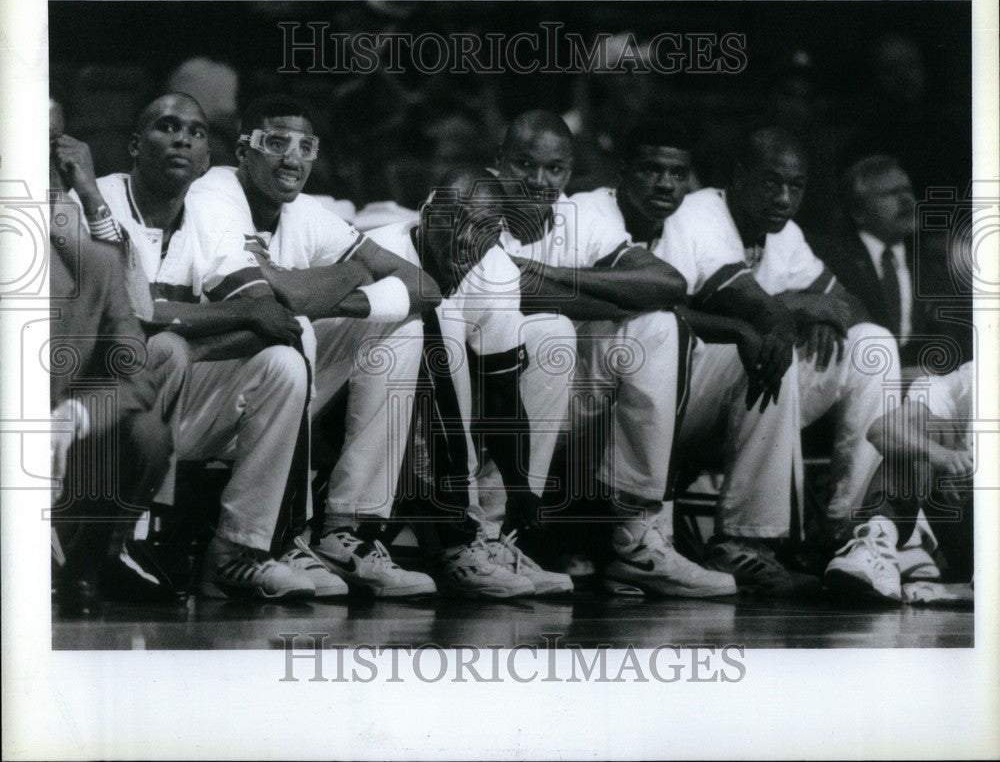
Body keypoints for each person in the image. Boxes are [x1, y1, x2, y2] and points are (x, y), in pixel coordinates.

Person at [58, 92, 319, 601]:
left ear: (206, 161)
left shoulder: (210, 216)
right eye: (166, 126)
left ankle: (237, 551)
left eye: (196, 133)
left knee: (283, 363)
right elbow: (123, 315)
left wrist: (179, 332)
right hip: (86, 411)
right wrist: (203, 323)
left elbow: (274, 321)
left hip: (171, 406)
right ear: (135, 145)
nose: (182, 138)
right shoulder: (90, 196)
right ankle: (123, 542)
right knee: (161, 352)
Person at [187, 94, 442, 598]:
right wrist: (351, 271)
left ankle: (347, 532)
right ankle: (260, 543)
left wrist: (328, 297)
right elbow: (284, 303)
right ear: (244, 149)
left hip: (265, 390)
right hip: (196, 391)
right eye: (275, 142)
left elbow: (426, 287)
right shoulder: (213, 194)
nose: (293, 158)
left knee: (401, 326)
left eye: (306, 146)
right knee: (294, 331)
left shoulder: (305, 212)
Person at [493, 110, 737, 599]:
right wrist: (599, 294)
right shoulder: (475, 205)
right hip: (476, 400)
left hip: (559, 401)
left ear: (569, 173)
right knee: (553, 331)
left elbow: (666, 284)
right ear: (499, 162)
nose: (539, 182)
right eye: (524, 164)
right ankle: (495, 539)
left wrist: (558, 276)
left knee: (658, 325)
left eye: (554, 170)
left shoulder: (577, 219)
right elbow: (504, 288)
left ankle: (638, 542)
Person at [589, 120, 816, 594]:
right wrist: (738, 325)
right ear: (624, 171)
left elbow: (742, 294)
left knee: (764, 357)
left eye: (677, 173)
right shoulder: (592, 212)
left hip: (648, 388)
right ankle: (639, 541)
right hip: (576, 385)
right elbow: (654, 300)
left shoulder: (684, 222)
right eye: (652, 170)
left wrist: (771, 325)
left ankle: (745, 544)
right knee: (662, 327)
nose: (666, 184)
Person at [663, 127, 903, 550]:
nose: (784, 199)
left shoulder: (785, 234)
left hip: (754, 398)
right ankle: (747, 543)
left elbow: (851, 306)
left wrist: (827, 316)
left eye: (796, 186)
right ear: (739, 177)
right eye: (771, 182)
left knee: (873, 345)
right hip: (683, 393)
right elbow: (745, 305)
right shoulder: (699, 213)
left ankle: (857, 528)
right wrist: (799, 305)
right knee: (769, 348)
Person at [367, 166, 573, 598]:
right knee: (439, 317)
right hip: (354, 413)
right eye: (454, 220)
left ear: (497, 234)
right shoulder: (380, 250)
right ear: (426, 213)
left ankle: (489, 538)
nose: (465, 239)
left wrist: (522, 488)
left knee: (553, 332)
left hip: (429, 423)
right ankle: (458, 538)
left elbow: (502, 389)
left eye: (481, 229)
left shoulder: (494, 266)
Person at [48, 96, 186, 615]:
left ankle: (89, 566)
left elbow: (137, 342)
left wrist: (75, 416)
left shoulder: (84, 246)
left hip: (57, 410)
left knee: (147, 432)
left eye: (46, 146)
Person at [825, 361, 974, 602]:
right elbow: (881, 429)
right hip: (969, 526)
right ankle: (877, 541)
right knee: (921, 430)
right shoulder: (974, 376)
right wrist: (943, 456)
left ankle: (974, 587)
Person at [810, 155, 932, 369]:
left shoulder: (932, 265)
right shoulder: (829, 261)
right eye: (891, 193)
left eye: (907, 191)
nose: (906, 200)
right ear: (858, 213)